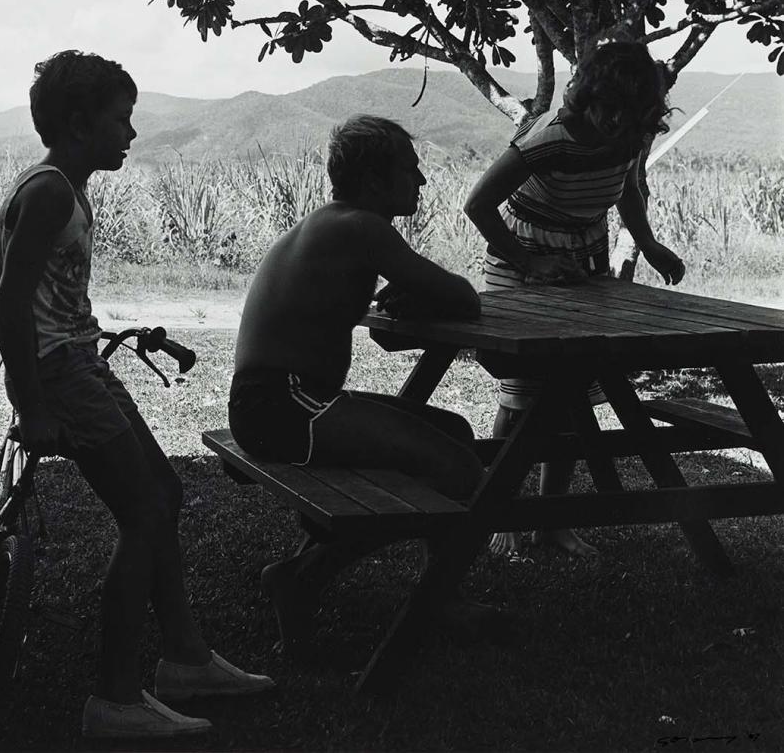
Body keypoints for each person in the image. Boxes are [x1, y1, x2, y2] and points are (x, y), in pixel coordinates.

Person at [0, 49, 273, 740]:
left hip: (80, 364)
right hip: (63, 373)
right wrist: (32, 407)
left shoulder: (62, 187)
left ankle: (184, 658)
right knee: (146, 510)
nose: (132, 134)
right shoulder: (52, 189)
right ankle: (114, 697)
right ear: (82, 123)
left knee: (164, 497)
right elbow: (8, 300)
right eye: (123, 119)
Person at [229, 114, 486, 651]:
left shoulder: (335, 223)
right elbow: (463, 297)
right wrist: (426, 293)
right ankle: (306, 580)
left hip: (283, 400)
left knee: (456, 432)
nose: (421, 182)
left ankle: (439, 596)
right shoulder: (363, 227)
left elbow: (385, 330)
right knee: (456, 467)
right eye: (410, 170)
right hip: (284, 405)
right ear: (374, 181)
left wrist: (412, 294)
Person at [463, 40, 686, 558]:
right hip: (522, 259)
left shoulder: (630, 135)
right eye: (608, 109)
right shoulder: (550, 138)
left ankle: (553, 523)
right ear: (588, 96)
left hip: (585, 255)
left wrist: (647, 242)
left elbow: (627, 188)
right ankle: (502, 516)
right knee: (522, 392)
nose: (615, 123)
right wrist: (530, 263)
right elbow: (478, 205)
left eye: (629, 115)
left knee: (572, 392)